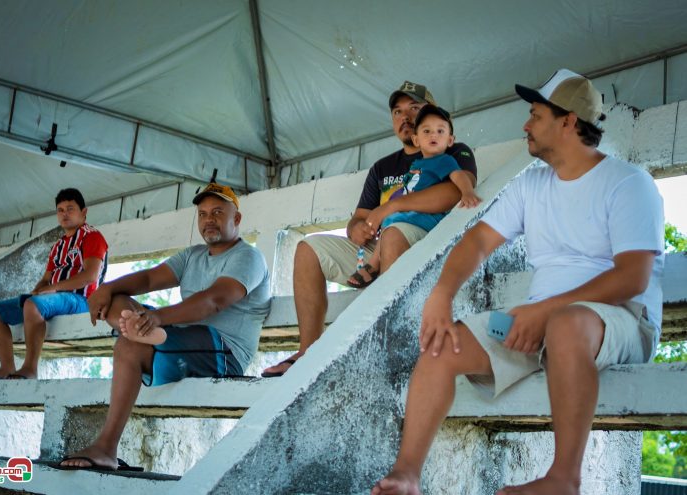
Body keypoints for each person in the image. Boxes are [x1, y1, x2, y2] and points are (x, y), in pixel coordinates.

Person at [371, 69, 665, 495]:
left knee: (566, 323)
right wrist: (442, 293)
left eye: (535, 115)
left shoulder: (627, 182)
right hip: (540, 323)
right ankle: (406, 474)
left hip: (619, 320)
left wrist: (545, 312)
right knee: (442, 343)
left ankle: (563, 480)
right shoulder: (531, 185)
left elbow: (632, 277)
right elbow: (476, 241)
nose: (525, 126)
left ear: (567, 122)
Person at [262, 81, 478, 377]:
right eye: (398, 112)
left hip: (427, 244)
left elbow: (456, 194)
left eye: (414, 109)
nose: (405, 117)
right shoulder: (382, 167)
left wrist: (391, 207)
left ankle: (390, 346)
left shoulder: (452, 150)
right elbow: (359, 217)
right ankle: (307, 352)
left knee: (391, 234)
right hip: (380, 250)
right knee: (307, 249)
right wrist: (356, 231)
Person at [58, 183, 271, 471]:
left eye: (218, 212)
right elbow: (147, 280)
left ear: (237, 219)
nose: (209, 219)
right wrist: (106, 288)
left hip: (224, 352)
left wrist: (157, 318)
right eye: (203, 213)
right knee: (117, 301)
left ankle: (106, 447)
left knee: (128, 344)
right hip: (182, 342)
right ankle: (144, 331)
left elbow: (213, 301)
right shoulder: (193, 255)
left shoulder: (248, 256)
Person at [0, 188, 108, 381]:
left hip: (82, 300)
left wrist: (52, 288)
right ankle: (6, 367)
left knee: (32, 305)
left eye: (70, 208)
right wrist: (39, 288)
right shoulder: (58, 245)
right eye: (60, 210)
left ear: (84, 212)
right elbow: (47, 278)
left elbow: (90, 276)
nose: (64, 213)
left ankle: (30, 369)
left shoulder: (92, 236)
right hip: (54, 298)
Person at [346, 104, 481, 288]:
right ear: (416, 139)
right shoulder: (417, 164)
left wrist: (467, 192)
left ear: (450, 140)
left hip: (427, 219)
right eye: (427, 131)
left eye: (440, 131)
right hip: (410, 218)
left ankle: (373, 268)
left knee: (392, 229)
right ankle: (373, 264)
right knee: (389, 224)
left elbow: (460, 177)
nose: (433, 135)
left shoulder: (446, 159)